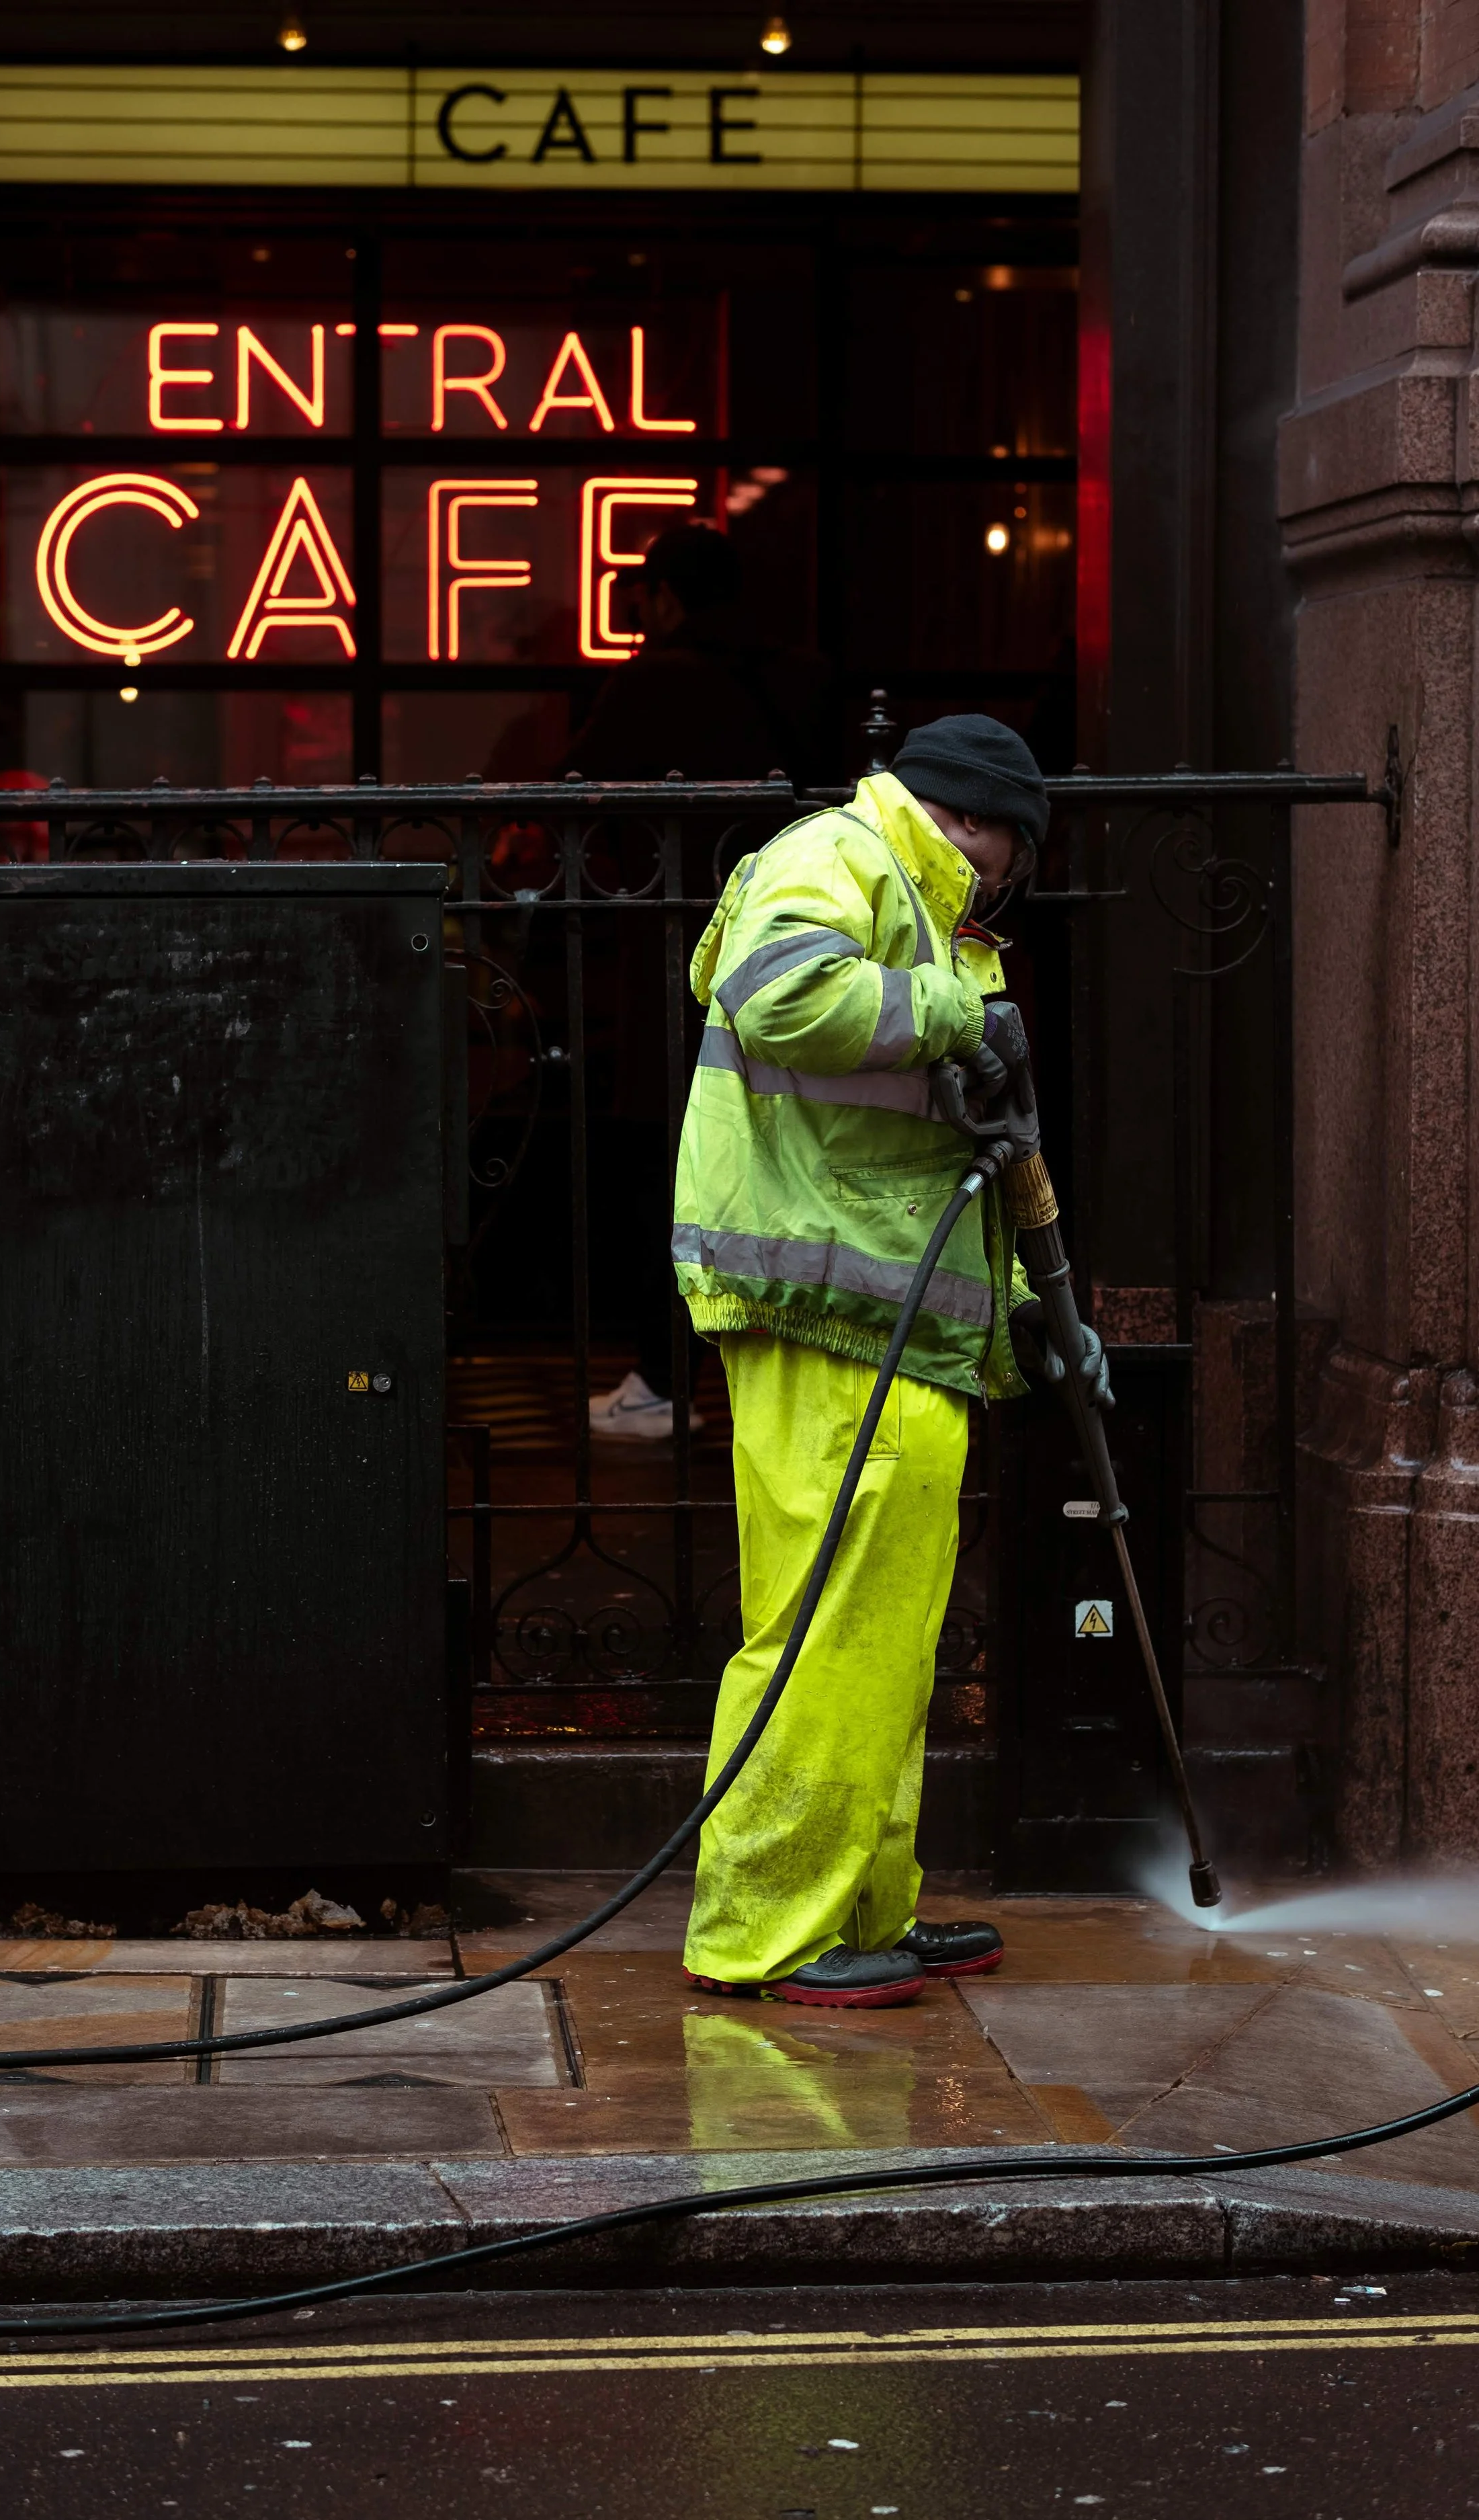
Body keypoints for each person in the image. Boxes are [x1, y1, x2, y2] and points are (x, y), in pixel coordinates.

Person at [671, 714, 1109, 2006]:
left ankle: (865, 1903)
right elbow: (778, 992)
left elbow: (974, 1144)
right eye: (1017, 853)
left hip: (891, 1324)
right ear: (985, 825)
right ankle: (768, 1933)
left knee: (882, 1640)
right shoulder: (843, 856)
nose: (1015, 883)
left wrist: (1044, 1303)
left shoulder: (927, 913)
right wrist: (950, 1008)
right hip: (829, 1316)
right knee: (825, 1632)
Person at [568, 523, 833, 1441]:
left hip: (680, 958)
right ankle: (800, 1370)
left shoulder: (650, 686)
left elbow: (576, 803)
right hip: (809, 953)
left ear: (664, 597)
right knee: (795, 1165)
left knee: (678, 1169)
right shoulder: (809, 679)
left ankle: (664, 1374)